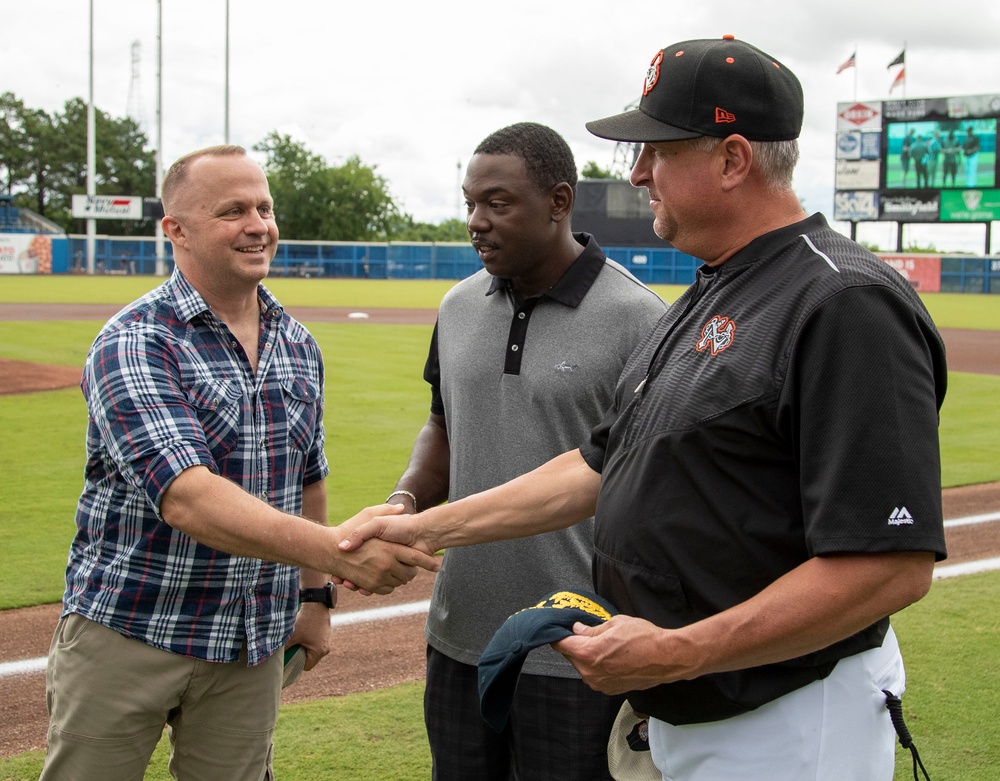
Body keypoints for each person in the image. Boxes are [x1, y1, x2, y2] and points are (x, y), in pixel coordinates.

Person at [343, 36, 948, 781]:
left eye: (656, 150)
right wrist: (422, 526)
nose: (635, 173)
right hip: (688, 708)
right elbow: (596, 466)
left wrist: (679, 647)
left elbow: (889, 567)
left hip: (789, 717)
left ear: (732, 159)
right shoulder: (711, 291)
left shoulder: (843, 301)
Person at [39, 145, 438, 781]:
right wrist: (338, 550)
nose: (258, 224)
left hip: (250, 641)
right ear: (176, 230)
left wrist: (315, 598)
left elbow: (308, 474)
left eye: (264, 207)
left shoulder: (296, 341)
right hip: (132, 630)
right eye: (232, 211)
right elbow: (186, 497)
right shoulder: (136, 340)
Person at [381, 121, 667, 781]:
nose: (476, 221)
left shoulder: (640, 320)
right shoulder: (455, 308)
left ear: (558, 202)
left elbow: (657, 493)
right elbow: (443, 426)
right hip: (460, 635)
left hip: (577, 646)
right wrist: (404, 500)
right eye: (470, 203)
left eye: (498, 203)